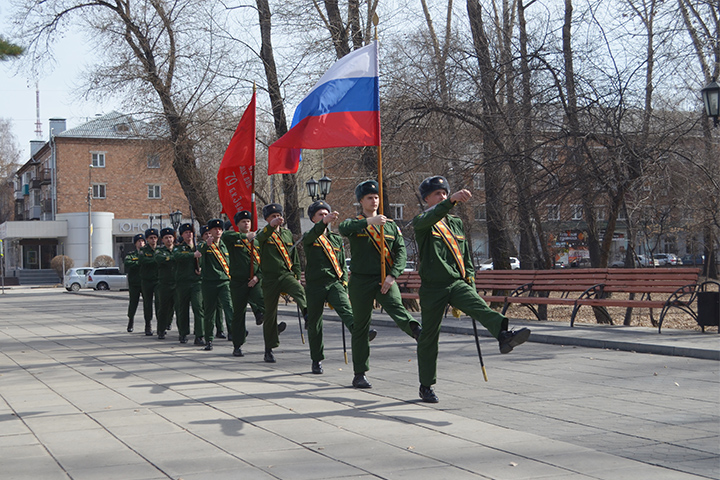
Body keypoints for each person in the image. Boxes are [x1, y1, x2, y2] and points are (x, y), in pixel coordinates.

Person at [412, 176, 531, 403]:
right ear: (427, 199)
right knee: (429, 337)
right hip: (433, 287)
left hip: (456, 282)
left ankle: (503, 335)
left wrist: (471, 284)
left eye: (445, 193)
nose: (443, 196)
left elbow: (465, 256)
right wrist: (450, 202)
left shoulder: (455, 224)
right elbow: (428, 219)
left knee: (480, 307)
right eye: (437, 194)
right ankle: (426, 385)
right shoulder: (423, 220)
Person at [339, 180, 422, 389]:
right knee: (361, 326)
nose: (374, 201)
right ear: (361, 201)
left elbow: (401, 253)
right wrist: (369, 222)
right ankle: (360, 373)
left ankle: (417, 331)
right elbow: (343, 228)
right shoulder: (356, 223)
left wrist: (393, 276)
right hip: (360, 281)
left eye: (376, 197)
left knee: (396, 307)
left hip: (385, 279)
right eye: (369, 197)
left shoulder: (391, 225)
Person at [303, 200, 377, 374]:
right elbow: (315, 234)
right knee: (315, 324)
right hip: (315, 285)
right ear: (313, 218)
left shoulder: (336, 238)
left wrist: (343, 281)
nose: (324, 216)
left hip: (334, 283)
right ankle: (316, 358)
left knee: (347, 311)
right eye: (319, 215)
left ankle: (360, 333)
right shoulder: (310, 236)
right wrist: (323, 223)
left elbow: (342, 263)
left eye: (325, 213)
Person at [255, 203, 304, 363]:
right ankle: (268, 348)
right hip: (269, 279)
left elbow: (294, 257)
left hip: (285, 274)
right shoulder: (263, 234)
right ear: (267, 219)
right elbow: (259, 239)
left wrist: (296, 273)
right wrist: (270, 227)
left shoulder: (287, 234)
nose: (277, 219)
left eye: (278, 216)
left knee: (298, 290)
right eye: (273, 217)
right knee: (270, 314)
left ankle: (307, 314)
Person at [221, 210, 267, 357]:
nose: (246, 223)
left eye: (248, 221)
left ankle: (273, 329)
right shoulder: (234, 238)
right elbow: (225, 235)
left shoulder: (258, 240)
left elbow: (264, 262)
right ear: (238, 224)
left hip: (255, 281)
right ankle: (237, 344)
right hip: (238, 282)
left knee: (263, 304)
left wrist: (258, 277)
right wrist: (245, 236)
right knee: (238, 314)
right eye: (243, 222)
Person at [196, 219, 234, 351]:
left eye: (220, 229)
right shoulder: (204, 245)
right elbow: (199, 255)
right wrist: (207, 245)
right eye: (215, 229)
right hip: (209, 283)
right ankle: (209, 339)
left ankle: (235, 332)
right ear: (210, 231)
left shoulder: (225, 245)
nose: (218, 231)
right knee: (209, 313)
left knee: (229, 307)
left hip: (224, 282)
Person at [174, 223, 204, 345]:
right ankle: (183, 333)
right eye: (186, 232)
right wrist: (193, 255)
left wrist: (201, 267)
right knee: (182, 309)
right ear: (182, 235)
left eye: (190, 232)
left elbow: (204, 259)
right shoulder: (179, 248)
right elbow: (177, 256)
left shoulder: (199, 247)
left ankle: (199, 335)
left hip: (196, 283)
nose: (189, 234)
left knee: (198, 308)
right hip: (183, 283)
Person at [154, 227, 178, 339]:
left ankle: (182, 331)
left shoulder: (179, 249)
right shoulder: (160, 251)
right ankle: (161, 330)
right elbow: (160, 259)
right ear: (162, 240)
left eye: (170, 237)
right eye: (166, 238)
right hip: (164, 284)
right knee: (163, 308)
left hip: (177, 283)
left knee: (179, 308)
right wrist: (175, 258)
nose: (169, 240)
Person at [139, 228, 160, 336]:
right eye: (151, 238)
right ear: (147, 239)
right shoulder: (143, 250)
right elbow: (143, 261)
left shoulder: (160, 249)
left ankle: (160, 325)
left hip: (158, 280)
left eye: (155, 238)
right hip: (146, 280)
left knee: (159, 303)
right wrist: (156, 260)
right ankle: (148, 324)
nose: (153, 240)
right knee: (147, 304)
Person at [123, 233, 145, 333]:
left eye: (142, 241)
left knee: (147, 304)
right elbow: (128, 263)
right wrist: (139, 262)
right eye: (138, 242)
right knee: (133, 303)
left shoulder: (147, 253)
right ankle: (130, 321)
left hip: (145, 282)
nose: (141, 243)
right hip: (134, 283)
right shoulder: (131, 254)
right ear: (135, 244)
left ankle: (148, 324)